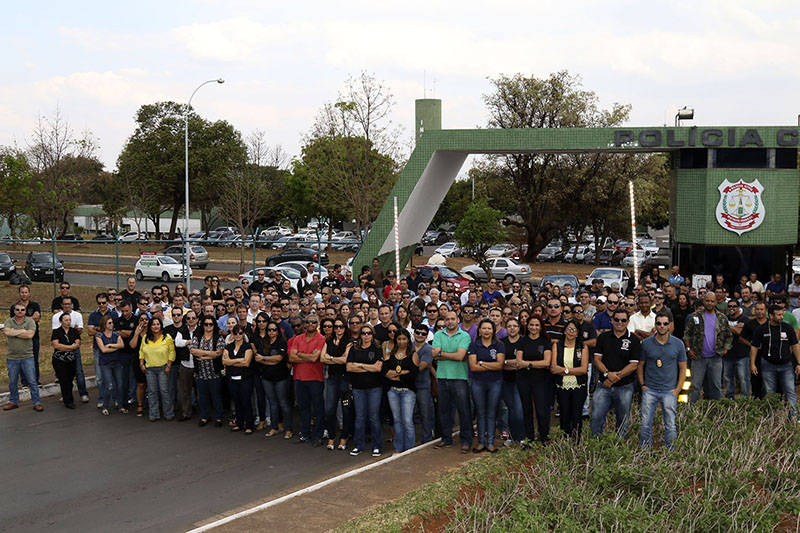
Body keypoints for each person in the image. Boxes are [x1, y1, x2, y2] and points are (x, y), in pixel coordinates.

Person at [638, 312, 687, 450]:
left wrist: (677, 389)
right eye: (659, 323)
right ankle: (644, 449)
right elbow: (640, 366)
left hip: (669, 390)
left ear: (670, 325)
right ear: (655, 325)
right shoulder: (646, 344)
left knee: (670, 424)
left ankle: (671, 451)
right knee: (645, 423)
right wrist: (643, 385)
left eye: (665, 323)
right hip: (650, 390)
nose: (662, 326)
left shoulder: (678, 344)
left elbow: (683, 368)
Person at [590, 308, 640, 437]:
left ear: (628, 321)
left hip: (625, 386)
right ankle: (596, 444)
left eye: (623, 320)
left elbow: (634, 364)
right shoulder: (603, 337)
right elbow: (597, 360)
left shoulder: (633, 340)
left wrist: (614, 377)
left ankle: (619, 446)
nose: (620, 322)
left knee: (622, 419)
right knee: (596, 417)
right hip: (603, 385)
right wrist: (607, 374)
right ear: (612, 320)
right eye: (617, 319)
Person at [749, 305, 800, 420]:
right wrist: (752, 364)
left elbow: (795, 346)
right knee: (769, 392)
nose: (782, 317)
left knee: (790, 391)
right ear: (771, 316)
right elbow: (754, 347)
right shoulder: (761, 329)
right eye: (779, 315)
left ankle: (793, 418)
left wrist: (799, 363)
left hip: (786, 365)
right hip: (768, 365)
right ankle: (771, 417)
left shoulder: (788, 328)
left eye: (782, 314)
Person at [432, 311, 473, 453]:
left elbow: (461, 356)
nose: (449, 321)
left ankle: (466, 441)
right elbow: (434, 355)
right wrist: (452, 355)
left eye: (452, 319)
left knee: (464, 411)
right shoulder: (438, 335)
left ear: (457, 320)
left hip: (460, 378)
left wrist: (442, 353)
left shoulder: (465, 336)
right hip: (443, 377)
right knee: (444, 411)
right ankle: (446, 439)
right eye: (447, 319)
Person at [683, 292, 732, 403]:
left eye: (712, 301)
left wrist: (726, 349)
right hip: (698, 357)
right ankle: (692, 411)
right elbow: (686, 334)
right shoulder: (695, 316)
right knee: (695, 386)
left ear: (715, 302)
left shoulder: (722, 318)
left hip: (716, 357)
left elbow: (729, 336)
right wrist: (688, 350)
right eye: (707, 300)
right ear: (703, 301)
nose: (710, 303)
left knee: (716, 386)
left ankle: (717, 411)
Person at [345, 324, 384, 457]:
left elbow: (378, 369)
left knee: (373, 417)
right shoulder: (354, 348)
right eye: (363, 333)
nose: (366, 335)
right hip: (358, 388)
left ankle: (377, 446)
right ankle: (358, 445)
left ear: (373, 335)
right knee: (360, 417)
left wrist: (360, 365)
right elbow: (349, 367)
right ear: (360, 335)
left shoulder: (378, 348)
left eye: (369, 333)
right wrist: (369, 367)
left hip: (374, 388)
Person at [252, 314, 292, 438]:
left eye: (274, 329)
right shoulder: (264, 342)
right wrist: (269, 360)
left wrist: (264, 358)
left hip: (281, 377)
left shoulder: (282, 342)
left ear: (278, 331)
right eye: (269, 330)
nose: (271, 332)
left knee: (283, 403)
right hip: (267, 377)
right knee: (273, 403)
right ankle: (274, 427)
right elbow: (257, 359)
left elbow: (279, 358)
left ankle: (289, 428)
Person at [468, 319, 505, 452]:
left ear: (493, 330)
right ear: (479, 330)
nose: (486, 331)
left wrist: (482, 363)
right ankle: (481, 443)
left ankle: (490, 443)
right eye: (484, 328)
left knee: (491, 412)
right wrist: (490, 366)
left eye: (489, 328)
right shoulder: (474, 346)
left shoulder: (499, 345)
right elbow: (473, 367)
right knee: (480, 412)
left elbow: (500, 365)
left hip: (495, 383)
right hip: (478, 382)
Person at [288, 314, 326, 445]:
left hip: (316, 378)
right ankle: (305, 434)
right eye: (308, 322)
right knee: (303, 408)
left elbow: (314, 358)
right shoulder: (297, 338)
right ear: (304, 324)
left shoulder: (321, 339)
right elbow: (292, 358)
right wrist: (307, 356)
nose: (310, 324)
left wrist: (299, 354)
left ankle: (318, 435)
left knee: (318, 409)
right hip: (299, 378)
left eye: (313, 322)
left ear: (317, 324)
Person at [515, 315, 552, 444]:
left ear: (541, 326)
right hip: (523, 379)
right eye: (531, 325)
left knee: (542, 410)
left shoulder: (545, 341)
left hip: (541, 380)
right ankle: (529, 439)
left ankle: (544, 437)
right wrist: (535, 363)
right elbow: (519, 362)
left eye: (537, 325)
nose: (534, 327)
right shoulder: (522, 341)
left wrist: (529, 364)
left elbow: (546, 362)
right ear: (527, 326)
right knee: (527, 410)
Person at [550, 319, 589, 443]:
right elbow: (554, 368)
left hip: (579, 385)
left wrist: (565, 370)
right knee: (564, 415)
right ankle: (565, 440)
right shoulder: (557, 345)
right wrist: (570, 370)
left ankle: (577, 442)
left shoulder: (582, 347)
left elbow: (583, 370)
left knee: (577, 415)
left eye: (574, 330)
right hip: (562, 386)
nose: (571, 332)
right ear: (564, 331)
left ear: (578, 333)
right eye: (569, 329)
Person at [383, 329, 420, 453]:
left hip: (407, 391)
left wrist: (396, 375)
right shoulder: (390, 354)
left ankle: (409, 449)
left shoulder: (413, 354)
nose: (401, 341)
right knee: (397, 420)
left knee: (407, 421)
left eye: (404, 339)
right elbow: (385, 372)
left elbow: (413, 374)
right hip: (393, 391)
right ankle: (398, 448)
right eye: (399, 339)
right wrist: (402, 373)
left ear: (408, 340)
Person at [321, 317, 354, 449]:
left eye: (341, 326)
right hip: (332, 378)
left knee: (346, 410)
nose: (338, 329)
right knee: (329, 409)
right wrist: (336, 359)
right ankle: (331, 437)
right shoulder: (328, 340)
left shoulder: (349, 342)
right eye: (336, 326)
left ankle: (344, 438)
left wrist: (330, 358)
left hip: (345, 378)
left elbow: (345, 360)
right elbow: (322, 358)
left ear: (345, 328)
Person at [134, 316, 176, 422]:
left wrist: (168, 366)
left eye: (158, 324)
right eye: (153, 324)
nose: (155, 326)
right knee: (152, 392)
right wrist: (142, 364)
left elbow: (172, 352)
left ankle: (168, 413)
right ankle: (154, 414)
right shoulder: (145, 338)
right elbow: (141, 351)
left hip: (163, 368)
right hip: (149, 369)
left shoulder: (167, 337)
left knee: (164, 391)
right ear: (150, 326)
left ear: (161, 326)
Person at [52, 297, 89, 403]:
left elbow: (79, 332)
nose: (67, 306)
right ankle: (66, 394)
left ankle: (83, 393)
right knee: (64, 375)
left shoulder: (78, 316)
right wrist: (70, 347)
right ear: (62, 305)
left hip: (74, 351)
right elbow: (57, 336)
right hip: (61, 352)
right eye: (65, 304)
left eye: (69, 304)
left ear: (72, 305)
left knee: (78, 371)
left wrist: (73, 345)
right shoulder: (56, 317)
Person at [190, 316, 226, 427]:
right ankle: (204, 417)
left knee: (216, 396)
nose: (208, 326)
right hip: (200, 373)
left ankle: (219, 418)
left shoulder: (218, 337)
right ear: (203, 325)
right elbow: (192, 350)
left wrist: (204, 356)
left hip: (214, 373)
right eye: (206, 324)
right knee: (203, 396)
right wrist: (210, 353)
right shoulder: (197, 336)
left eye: (211, 324)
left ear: (214, 325)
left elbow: (219, 353)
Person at [88, 292, 118, 409]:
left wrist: (98, 329)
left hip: (113, 348)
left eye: (104, 303)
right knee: (99, 377)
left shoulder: (114, 314)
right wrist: (105, 330)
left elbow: (115, 330)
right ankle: (101, 399)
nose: (102, 305)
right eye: (99, 303)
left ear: (108, 302)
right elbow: (90, 331)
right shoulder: (93, 315)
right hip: (98, 349)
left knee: (114, 375)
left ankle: (115, 399)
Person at [223, 324, 255, 434]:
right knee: (237, 402)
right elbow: (224, 362)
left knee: (246, 401)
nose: (237, 335)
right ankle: (240, 423)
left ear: (244, 334)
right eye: (235, 333)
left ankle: (249, 424)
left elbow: (247, 363)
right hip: (232, 379)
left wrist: (231, 362)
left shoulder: (247, 347)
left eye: (240, 333)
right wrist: (239, 360)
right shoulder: (228, 347)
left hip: (245, 378)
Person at [95, 315, 125, 415]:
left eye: (112, 323)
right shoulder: (99, 336)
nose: (112, 325)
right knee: (109, 385)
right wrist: (116, 347)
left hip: (117, 362)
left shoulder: (116, 334)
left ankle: (120, 405)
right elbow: (103, 349)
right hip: (105, 363)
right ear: (104, 325)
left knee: (120, 385)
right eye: (109, 323)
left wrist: (111, 345)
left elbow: (122, 345)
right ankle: (105, 406)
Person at [50, 313, 81, 410]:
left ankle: (67, 396)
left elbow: (77, 344)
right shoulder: (56, 332)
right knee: (63, 380)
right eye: (66, 320)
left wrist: (65, 348)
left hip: (71, 359)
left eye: (69, 320)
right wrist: (70, 347)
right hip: (59, 360)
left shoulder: (74, 331)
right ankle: (68, 401)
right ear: (60, 321)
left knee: (70, 380)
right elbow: (56, 345)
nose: (68, 322)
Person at [500, 318, 524, 444]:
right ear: (506, 327)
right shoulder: (501, 342)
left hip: (520, 380)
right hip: (505, 380)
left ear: (519, 327)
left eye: (515, 325)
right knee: (510, 409)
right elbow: (499, 363)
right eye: (509, 326)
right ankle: (512, 436)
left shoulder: (523, 341)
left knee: (519, 410)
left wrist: (507, 362)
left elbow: (521, 363)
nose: (512, 328)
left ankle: (522, 436)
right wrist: (511, 363)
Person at [412, 323, 436, 444]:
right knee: (409, 415)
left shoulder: (428, 349)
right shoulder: (408, 346)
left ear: (427, 336)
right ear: (414, 333)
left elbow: (422, 366)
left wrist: (404, 369)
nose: (420, 335)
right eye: (418, 332)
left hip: (423, 385)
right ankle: (410, 440)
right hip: (408, 385)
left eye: (423, 334)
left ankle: (427, 438)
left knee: (425, 412)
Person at [13, 285, 41, 388]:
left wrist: (23, 318)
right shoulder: (14, 306)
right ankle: (25, 382)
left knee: (34, 359)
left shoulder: (35, 305)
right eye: (22, 292)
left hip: (34, 337)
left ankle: (35, 380)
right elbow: (16, 321)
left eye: (26, 292)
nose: (24, 294)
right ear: (19, 293)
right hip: (20, 338)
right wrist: (31, 318)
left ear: (29, 293)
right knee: (22, 359)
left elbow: (37, 318)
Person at [741, 301, 768, 399]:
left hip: (768, 357)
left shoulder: (770, 323)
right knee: (756, 381)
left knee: (768, 381)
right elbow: (741, 338)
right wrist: (752, 345)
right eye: (757, 309)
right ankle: (756, 402)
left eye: (762, 309)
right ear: (754, 310)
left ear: (766, 311)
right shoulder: (749, 324)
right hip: (754, 357)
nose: (759, 311)